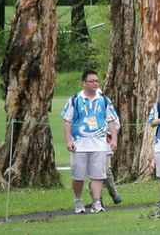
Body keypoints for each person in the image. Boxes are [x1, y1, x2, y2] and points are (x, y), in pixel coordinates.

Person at [61, 70, 119, 214]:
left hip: (99, 143)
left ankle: (97, 202)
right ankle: (78, 200)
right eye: (91, 81)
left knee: (98, 175)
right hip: (80, 143)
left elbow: (111, 120)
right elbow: (67, 121)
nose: (95, 84)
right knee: (78, 176)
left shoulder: (103, 99)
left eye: (97, 81)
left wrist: (114, 139)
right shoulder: (75, 99)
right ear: (84, 83)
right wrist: (68, 141)